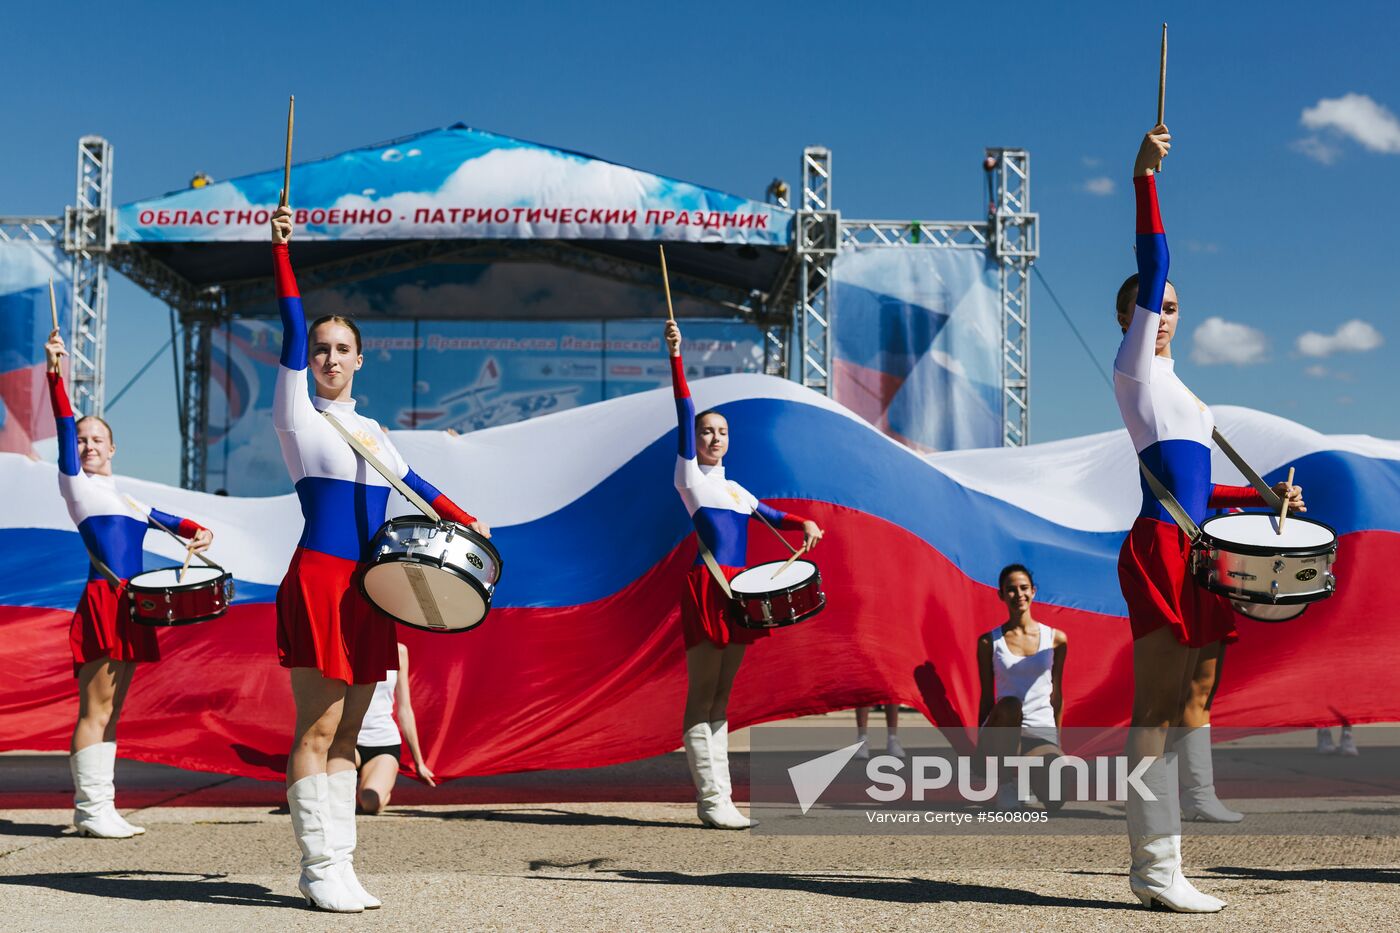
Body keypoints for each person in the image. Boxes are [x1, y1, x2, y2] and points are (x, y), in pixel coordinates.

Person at [271, 205, 486, 912]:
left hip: (371, 590)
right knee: (319, 727)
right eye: (322, 348)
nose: (329, 356)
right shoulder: (299, 415)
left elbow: (424, 491)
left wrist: (467, 521)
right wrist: (284, 256)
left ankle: (343, 863)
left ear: (361, 358)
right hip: (319, 579)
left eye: (342, 348)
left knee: (354, 740)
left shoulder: (375, 433)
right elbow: (294, 330)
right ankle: (316, 865)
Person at [1113, 125, 1304, 912]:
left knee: (1180, 699)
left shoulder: (1185, 394)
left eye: (1175, 307)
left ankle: (1167, 861)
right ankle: (1153, 869)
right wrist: (1144, 179)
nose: (1167, 311)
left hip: (1190, 543)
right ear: (1129, 314)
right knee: (1152, 709)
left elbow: (1195, 489)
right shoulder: (1135, 371)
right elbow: (1156, 264)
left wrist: (1258, 502)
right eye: (1156, 305)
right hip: (1158, 547)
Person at [44, 330, 213, 839]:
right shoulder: (76, 485)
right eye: (81, 439)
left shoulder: (128, 499)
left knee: (113, 708)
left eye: (97, 439)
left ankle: (101, 806)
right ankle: (91, 810)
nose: (88, 444)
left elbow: (172, 520)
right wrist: (56, 374)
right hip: (103, 599)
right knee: (95, 707)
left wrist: (198, 531)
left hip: (132, 606)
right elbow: (61, 419)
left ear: (114, 446)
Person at [666, 318, 825, 830]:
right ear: (696, 439)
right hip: (707, 587)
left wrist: (806, 523)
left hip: (739, 592)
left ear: (730, 441)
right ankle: (711, 799)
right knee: (702, 693)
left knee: (722, 697)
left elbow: (776, 517)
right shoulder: (689, 476)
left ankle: (721, 797)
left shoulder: (737, 490)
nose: (714, 437)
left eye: (722, 432)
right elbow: (684, 407)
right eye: (707, 431)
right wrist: (676, 356)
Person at [975, 564, 1066, 811]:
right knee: (1010, 705)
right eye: (1011, 590)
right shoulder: (988, 641)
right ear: (1001, 595)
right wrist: (981, 744)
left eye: (1024, 588)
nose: (1019, 595)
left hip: (1040, 733)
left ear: (1034, 591)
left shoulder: (1056, 639)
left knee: (1058, 795)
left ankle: (1027, 776)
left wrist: (1057, 742)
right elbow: (986, 697)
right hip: (1005, 725)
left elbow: (1057, 695)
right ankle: (1006, 784)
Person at [356, 642, 436, 814]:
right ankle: (361, 785)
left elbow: (405, 709)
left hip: (382, 743)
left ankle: (374, 786)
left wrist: (419, 762)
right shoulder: (344, 647)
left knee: (371, 804)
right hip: (347, 741)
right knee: (333, 802)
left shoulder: (399, 651)